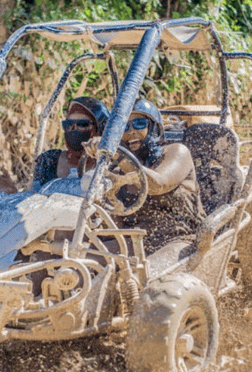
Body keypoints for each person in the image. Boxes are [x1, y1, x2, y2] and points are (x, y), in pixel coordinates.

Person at [84, 99, 206, 258]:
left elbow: (158, 185)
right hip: (137, 240)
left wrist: (117, 153)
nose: (131, 132)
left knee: (151, 276)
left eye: (140, 123)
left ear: (154, 127)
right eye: (125, 127)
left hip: (181, 241)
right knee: (81, 261)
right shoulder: (119, 167)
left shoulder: (176, 151)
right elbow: (116, 218)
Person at [0, 96, 110, 193]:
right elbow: (31, 205)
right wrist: (11, 191)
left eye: (82, 124)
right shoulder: (49, 160)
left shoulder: (110, 164)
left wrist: (105, 151)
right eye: (68, 125)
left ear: (99, 128)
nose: (73, 129)